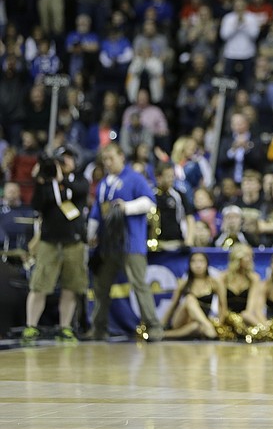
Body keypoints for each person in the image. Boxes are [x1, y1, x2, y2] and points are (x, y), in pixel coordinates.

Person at [88, 143, 163, 341]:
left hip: (131, 242)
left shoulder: (135, 178)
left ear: (122, 157)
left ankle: (154, 327)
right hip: (108, 244)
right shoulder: (104, 183)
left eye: (111, 158)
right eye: (105, 159)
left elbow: (149, 202)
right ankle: (99, 328)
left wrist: (126, 207)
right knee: (101, 286)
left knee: (139, 284)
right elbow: (97, 211)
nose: (108, 162)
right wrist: (91, 233)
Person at [24, 147, 89, 343]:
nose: (64, 162)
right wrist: (40, 180)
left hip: (73, 241)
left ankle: (65, 327)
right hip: (49, 241)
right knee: (39, 285)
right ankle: (31, 326)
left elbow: (78, 192)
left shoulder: (79, 180)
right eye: (61, 159)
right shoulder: (46, 181)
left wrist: (60, 179)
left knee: (71, 286)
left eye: (68, 158)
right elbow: (36, 204)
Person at [161, 252, 225, 339]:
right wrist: (162, 324)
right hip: (182, 320)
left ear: (207, 264)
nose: (198, 265)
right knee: (189, 299)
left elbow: (223, 306)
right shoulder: (183, 283)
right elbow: (173, 305)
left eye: (201, 261)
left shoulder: (214, 283)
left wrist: (219, 325)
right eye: (194, 261)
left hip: (199, 322)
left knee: (197, 327)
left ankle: (165, 335)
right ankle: (208, 327)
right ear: (189, 264)